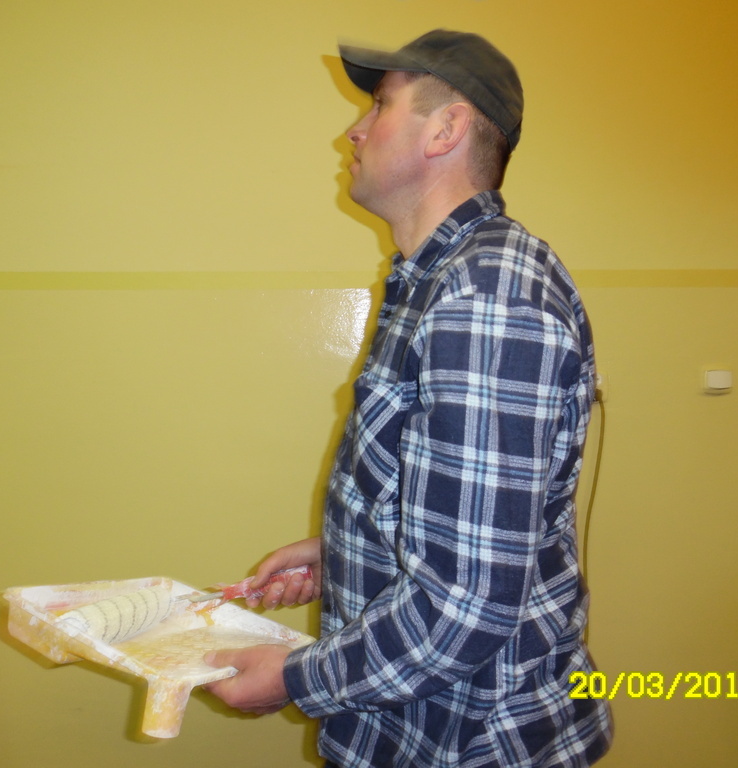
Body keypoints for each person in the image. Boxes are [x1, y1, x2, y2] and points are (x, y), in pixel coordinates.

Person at [203, 29, 613, 767]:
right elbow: (454, 518)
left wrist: (294, 678)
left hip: (472, 741)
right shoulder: (438, 279)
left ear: (447, 129)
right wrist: (345, 550)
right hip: (425, 727)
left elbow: (465, 607)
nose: (353, 131)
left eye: (380, 105)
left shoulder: (484, 299)